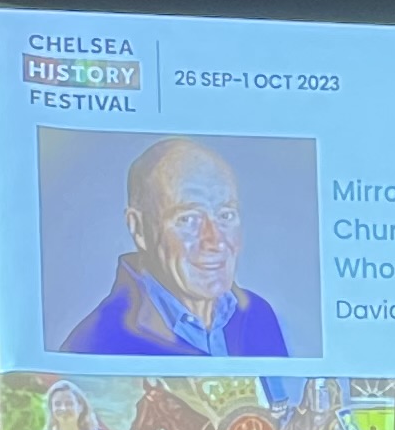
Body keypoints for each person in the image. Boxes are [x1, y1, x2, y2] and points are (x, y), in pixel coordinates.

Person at [65, 138, 293, 357]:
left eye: (226, 215)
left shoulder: (258, 316)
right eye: (187, 219)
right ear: (139, 229)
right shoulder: (95, 345)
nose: (215, 241)